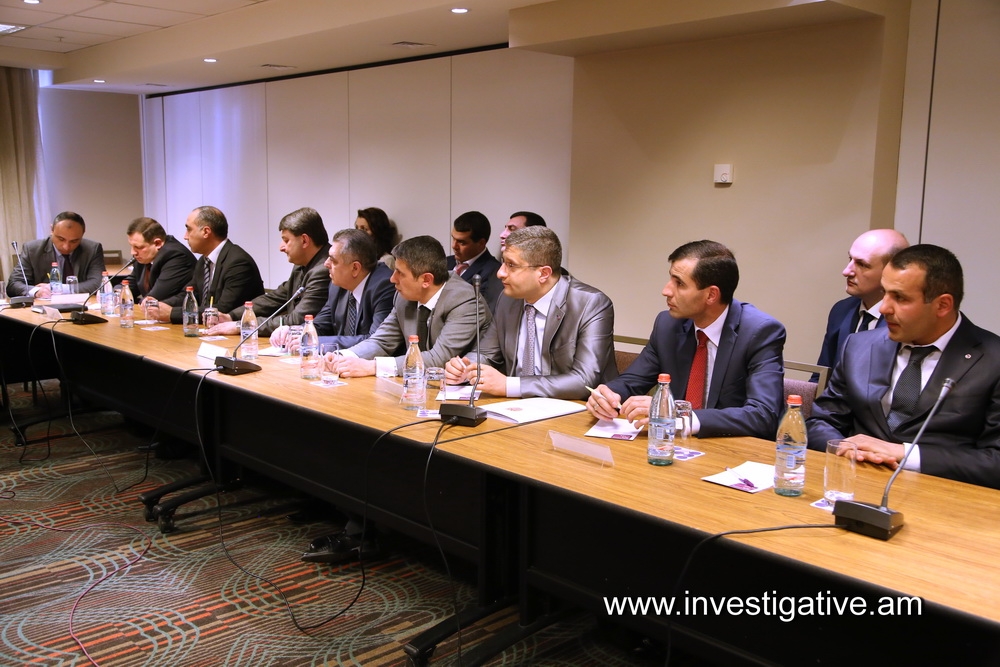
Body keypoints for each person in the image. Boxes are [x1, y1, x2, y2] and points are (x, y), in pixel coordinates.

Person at [807, 244, 1000, 490]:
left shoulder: (992, 360)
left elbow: (995, 461)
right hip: (855, 484)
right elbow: (821, 422)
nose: (884, 308)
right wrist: (848, 448)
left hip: (942, 495)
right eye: (885, 293)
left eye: (900, 298)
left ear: (943, 305)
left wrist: (905, 453)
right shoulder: (858, 346)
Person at [586, 240, 785, 440]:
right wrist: (608, 395)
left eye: (679, 283)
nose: (666, 290)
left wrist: (679, 416)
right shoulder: (668, 325)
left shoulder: (759, 332)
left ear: (711, 295)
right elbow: (632, 381)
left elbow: (763, 415)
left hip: (732, 447)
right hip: (673, 446)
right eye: (670, 279)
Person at [445, 226, 616, 399]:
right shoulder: (507, 299)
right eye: (503, 262)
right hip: (515, 407)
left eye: (511, 265)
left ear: (543, 273)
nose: (500, 273)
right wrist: (465, 368)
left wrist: (509, 385)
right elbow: (487, 354)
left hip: (577, 407)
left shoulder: (590, 304)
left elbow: (584, 380)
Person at [326, 235, 492, 379]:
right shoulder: (404, 296)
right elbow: (382, 341)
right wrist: (342, 357)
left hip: (467, 389)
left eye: (400, 273)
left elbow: (438, 358)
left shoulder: (465, 301)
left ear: (426, 280)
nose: (392, 279)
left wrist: (372, 366)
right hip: (419, 385)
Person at [206, 207, 330, 337]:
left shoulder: (323, 270)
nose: (281, 247)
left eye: (286, 240)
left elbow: (297, 321)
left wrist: (242, 325)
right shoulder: (303, 263)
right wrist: (231, 316)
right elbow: (275, 298)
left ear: (304, 240)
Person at [270, 228, 394, 352]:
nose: (326, 264)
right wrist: (295, 332)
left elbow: (374, 341)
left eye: (333, 260)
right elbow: (321, 324)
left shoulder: (384, 286)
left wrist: (315, 342)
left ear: (355, 268)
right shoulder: (337, 285)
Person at [152, 206, 264, 324]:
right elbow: (190, 294)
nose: (185, 236)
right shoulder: (204, 261)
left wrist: (172, 313)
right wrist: (159, 305)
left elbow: (223, 310)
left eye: (189, 230)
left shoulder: (238, 263)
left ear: (206, 232)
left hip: (240, 331)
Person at [817, 229, 909, 371]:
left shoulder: (905, 320)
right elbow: (822, 376)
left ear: (892, 271)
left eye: (862, 264)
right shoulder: (841, 310)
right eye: (850, 259)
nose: (846, 272)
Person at [8, 211, 106, 298]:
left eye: (74, 241)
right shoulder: (32, 249)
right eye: (61, 239)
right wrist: (37, 291)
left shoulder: (92, 249)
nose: (66, 247)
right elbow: (13, 285)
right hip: (43, 308)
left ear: (83, 234)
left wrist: (60, 288)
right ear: (52, 230)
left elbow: (98, 283)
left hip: (81, 306)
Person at [126, 217, 196, 300]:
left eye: (138, 247)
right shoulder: (144, 257)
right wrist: (118, 293)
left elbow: (155, 298)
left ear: (158, 243)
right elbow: (129, 286)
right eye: (132, 246)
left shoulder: (176, 256)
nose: (133, 252)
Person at [446, 211, 502, 311]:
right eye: (453, 239)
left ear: (481, 243)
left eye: (462, 242)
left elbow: (481, 311)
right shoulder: (444, 262)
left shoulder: (494, 272)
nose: (454, 246)